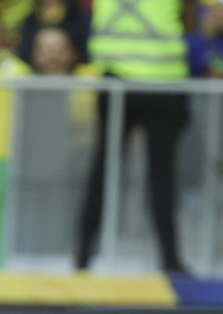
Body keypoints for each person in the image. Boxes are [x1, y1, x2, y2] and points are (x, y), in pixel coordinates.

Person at [74, 0, 195, 274]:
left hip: (116, 78)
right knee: (161, 176)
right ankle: (171, 260)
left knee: (103, 170)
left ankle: (82, 255)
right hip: (162, 80)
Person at [16, 0, 90, 70]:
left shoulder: (80, 22)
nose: (53, 58)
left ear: (74, 54)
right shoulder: (30, 22)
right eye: (47, 52)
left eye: (59, 51)